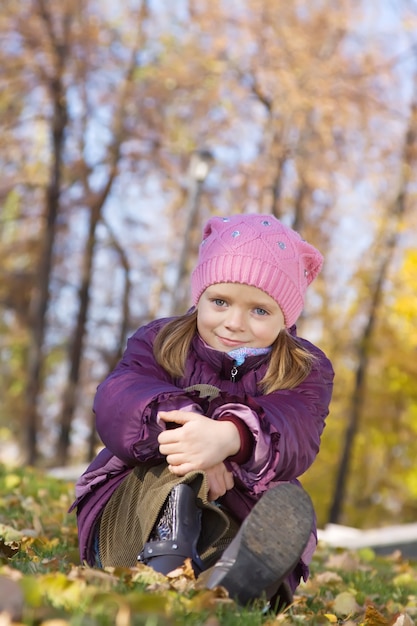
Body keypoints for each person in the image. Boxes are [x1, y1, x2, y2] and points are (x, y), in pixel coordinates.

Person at [71, 213, 334, 610]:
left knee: (256, 528)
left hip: (233, 513)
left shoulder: (303, 368)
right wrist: (192, 433)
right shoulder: (159, 340)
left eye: (259, 311)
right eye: (220, 302)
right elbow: (117, 398)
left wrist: (231, 438)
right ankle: (165, 559)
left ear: (286, 317)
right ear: (200, 297)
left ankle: (230, 589)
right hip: (133, 515)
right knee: (176, 472)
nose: (234, 323)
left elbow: (299, 429)